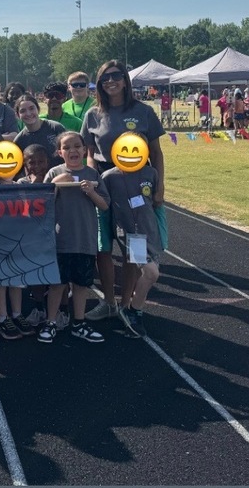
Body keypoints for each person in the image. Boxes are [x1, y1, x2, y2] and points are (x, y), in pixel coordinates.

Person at [81, 60, 165, 323]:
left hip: (136, 185)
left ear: (126, 80)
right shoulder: (93, 115)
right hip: (105, 183)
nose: (110, 81)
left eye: (116, 76)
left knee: (133, 248)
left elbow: (156, 152)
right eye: (105, 78)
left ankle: (128, 303)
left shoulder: (143, 111)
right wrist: (94, 181)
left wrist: (160, 185)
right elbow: (90, 154)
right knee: (103, 247)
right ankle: (108, 302)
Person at [40, 131, 110, 344]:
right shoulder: (54, 172)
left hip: (85, 241)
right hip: (60, 241)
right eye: (67, 147)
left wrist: (91, 192)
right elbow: (41, 204)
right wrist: (57, 185)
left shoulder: (93, 174)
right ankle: (51, 322)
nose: (73, 151)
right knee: (57, 285)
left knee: (81, 285)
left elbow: (104, 205)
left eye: (77, 146)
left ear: (84, 149)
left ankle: (78, 323)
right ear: (60, 152)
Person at [102, 148, 164, 339]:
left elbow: (155, 201)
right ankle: (133, 311)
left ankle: (132, 309)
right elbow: (105, 206)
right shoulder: (109, 177)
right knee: (151, 272)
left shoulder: (150, 173)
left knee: (148, 275)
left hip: (150, 232)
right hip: (130, 235)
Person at [14, 93, 66, 168]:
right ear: (18, 115)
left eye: (31, 108)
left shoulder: (55, 128)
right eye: (23, 111)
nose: (28, 113)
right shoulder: (19, 141)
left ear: (38, 109)